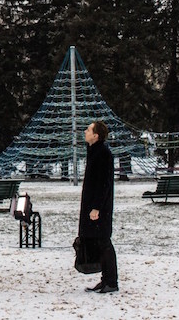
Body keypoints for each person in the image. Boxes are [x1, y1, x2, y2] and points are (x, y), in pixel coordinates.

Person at [79, 120, 118, 293]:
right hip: (94, 205)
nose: (85, 132)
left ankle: (111, 281)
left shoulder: (103, 153)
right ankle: (106, 279)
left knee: (104, 242)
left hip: (100, 207)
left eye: (88, 130)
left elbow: (104, 183)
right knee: (99, 241)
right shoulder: (94, 151)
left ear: (96, 135)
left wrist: (96, 207)